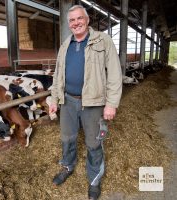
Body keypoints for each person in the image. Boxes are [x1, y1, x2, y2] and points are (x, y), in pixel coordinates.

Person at [49, 5, 122, 200]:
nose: (76, 23)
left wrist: (111, 104)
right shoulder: (65, 45)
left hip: (93, 103)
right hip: (68, 101)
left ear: (87, 20)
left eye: (79, 18)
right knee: (67, 138)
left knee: (94, 142)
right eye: (71, 20)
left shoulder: (103, 40)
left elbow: (114, 73)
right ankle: (67, 167)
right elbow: (58, 75)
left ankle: (94, 180)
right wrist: (54, 99)